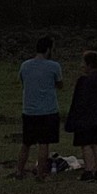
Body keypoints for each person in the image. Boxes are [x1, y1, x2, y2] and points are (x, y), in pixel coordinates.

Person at [17, 36, 64, 181]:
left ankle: (19, 171)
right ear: (48, 49)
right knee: (44, 144)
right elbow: (60, 84)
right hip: (48, 111)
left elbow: (23, 81)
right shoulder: (54, 66)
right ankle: (41, 174)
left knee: (26, 143)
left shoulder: (25, 65)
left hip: (29, 110)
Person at [65, 50, 97, 180]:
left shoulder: (83, 81)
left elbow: (78, 100)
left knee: (86, 143)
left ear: (88, 64)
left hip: (85, 118)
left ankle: (89, 170)